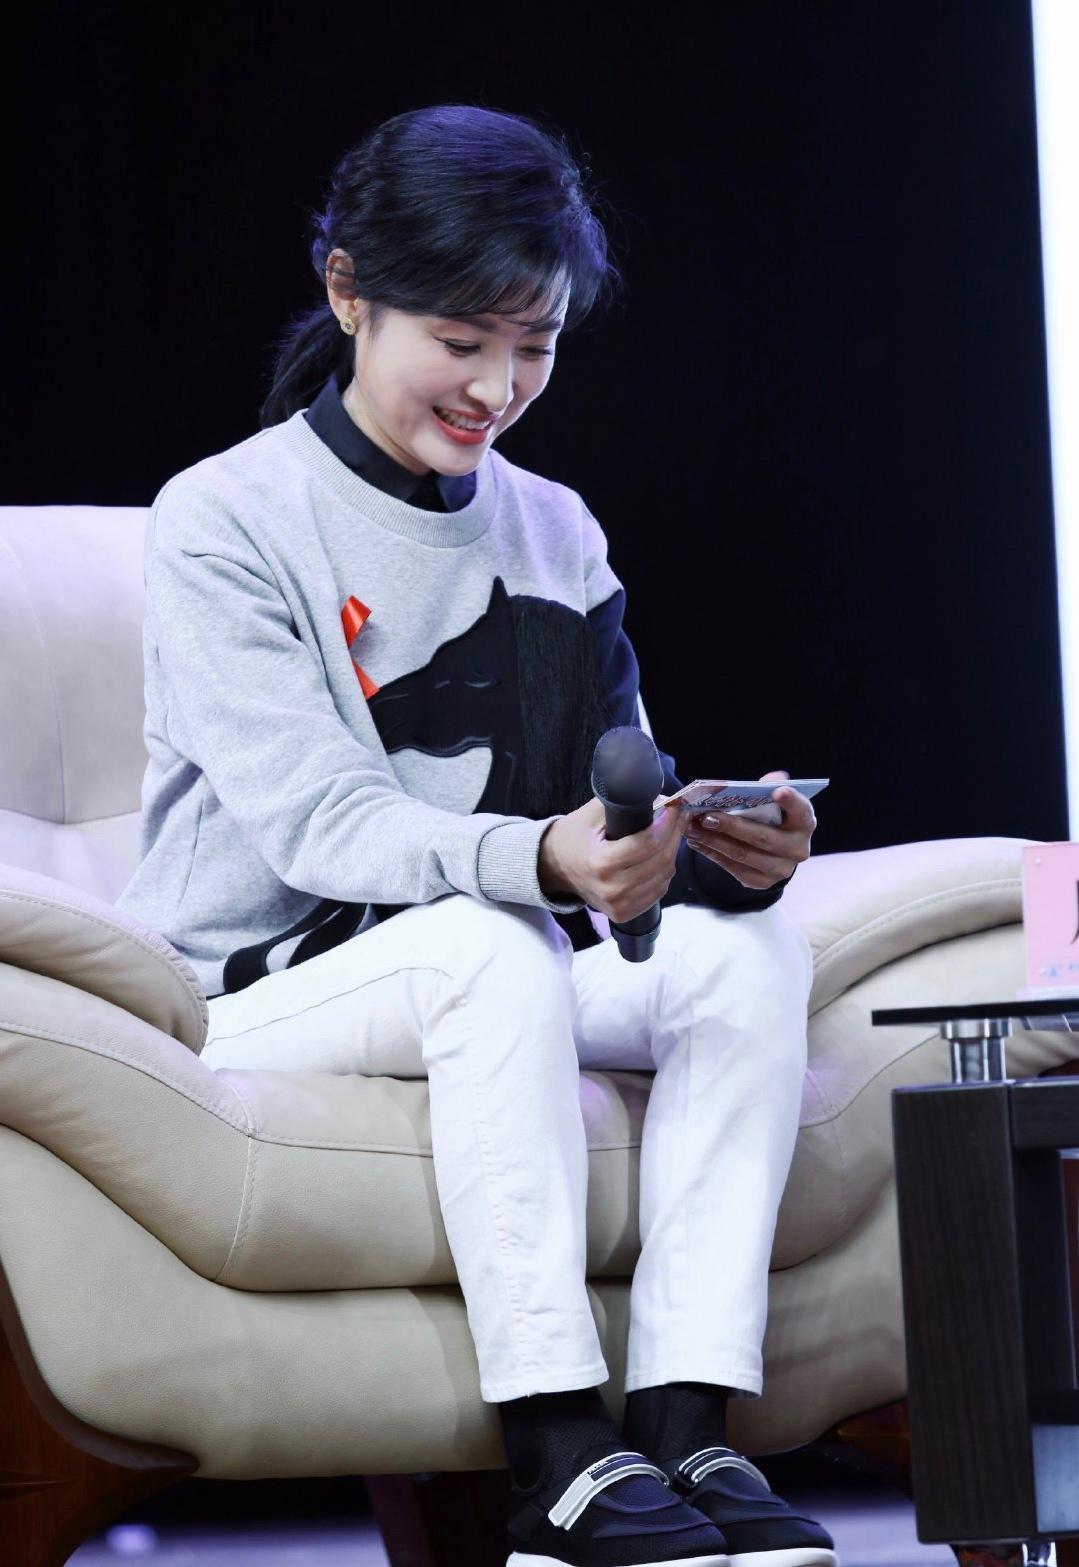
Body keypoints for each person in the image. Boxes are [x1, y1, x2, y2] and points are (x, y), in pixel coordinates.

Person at [114, 103, 835, 1567]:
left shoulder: (556, 527)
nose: (500, 389)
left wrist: (703, 852)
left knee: (746, 964)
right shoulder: (223, 519)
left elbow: (610, 802)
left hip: (488, 957)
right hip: (261, 986)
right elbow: (320, 823)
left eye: (537, 346)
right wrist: (544, 864)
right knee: (488, 945)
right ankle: (554, 1458)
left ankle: (683, 1426)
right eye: (462, 341)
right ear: (348, 293)